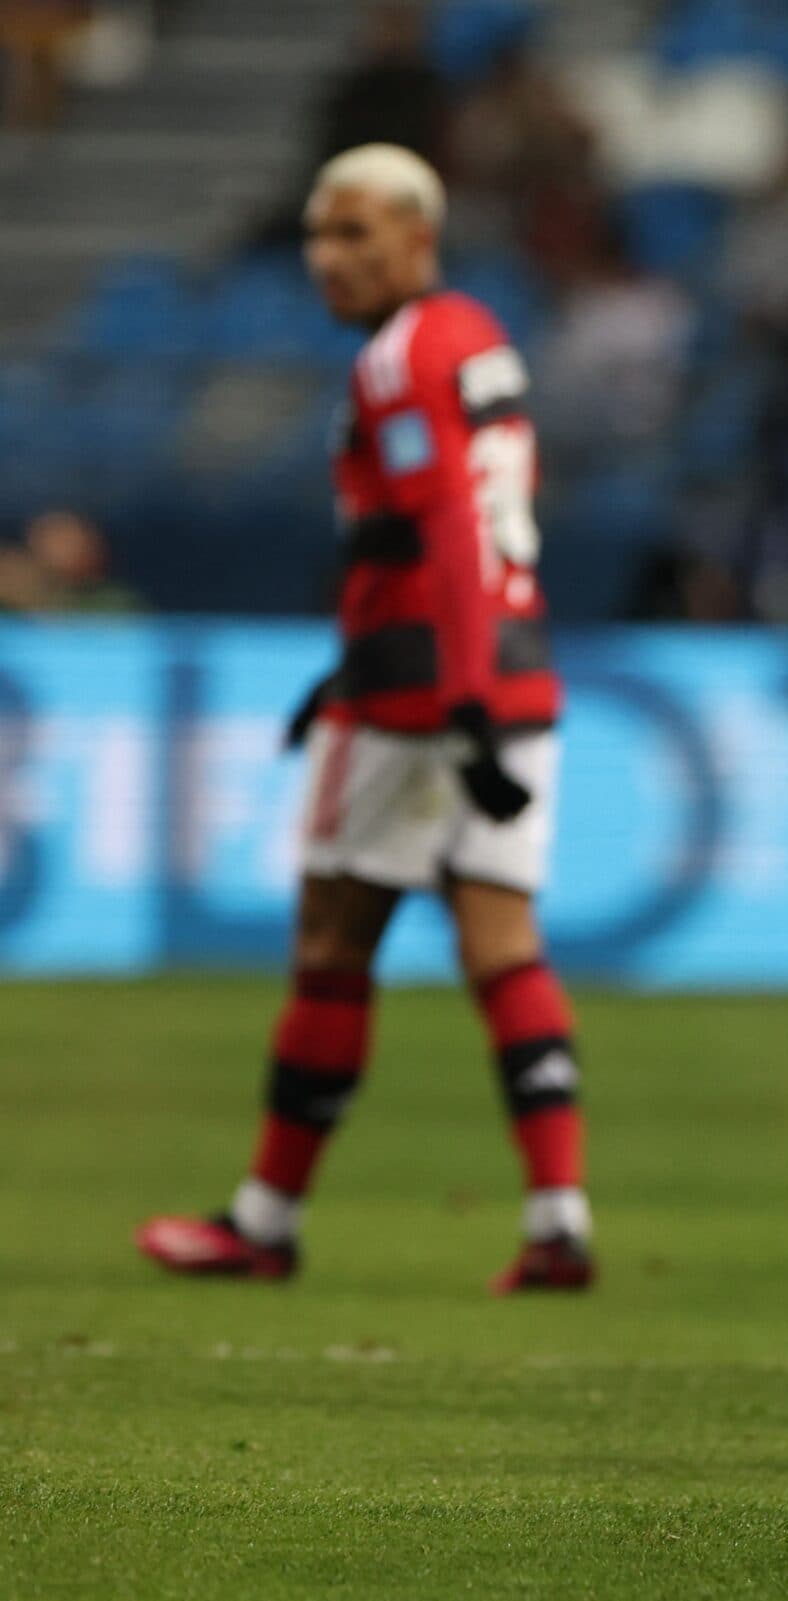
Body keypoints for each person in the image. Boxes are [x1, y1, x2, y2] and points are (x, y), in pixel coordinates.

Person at [135, 144, 593, 1294]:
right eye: (318, 236)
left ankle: (263, 1219)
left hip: (424, 689)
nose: (328, 259)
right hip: (517, 659)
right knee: (502, 941)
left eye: (356, 235)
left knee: (334, 941)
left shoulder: (400, 356)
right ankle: (558, 1215)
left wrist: (455, 693)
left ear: (418, 238)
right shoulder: (479, 335)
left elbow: (441, 520)